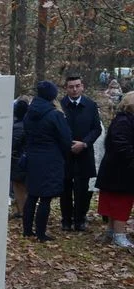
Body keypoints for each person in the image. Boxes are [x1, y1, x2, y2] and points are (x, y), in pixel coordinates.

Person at [22, 81, 72, 243]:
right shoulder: (55, 115)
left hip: (32, 157)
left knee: (32, 195)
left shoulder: (29, 112)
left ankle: (27, 230)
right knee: (45, 198)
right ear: (52, 95)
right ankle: (41, 233)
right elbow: (66, 139)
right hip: (50, 159)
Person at [60, 75, 102, 232]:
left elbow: (96, 128)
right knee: (65, 188)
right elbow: (55, 128)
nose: (74, 89)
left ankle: (79, 220)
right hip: (65, 153)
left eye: (77, 86)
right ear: (66, 88)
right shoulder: (60, 105)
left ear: (82, 86)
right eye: (71, 86)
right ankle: (66, 220)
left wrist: (84, 143)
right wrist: (68, 144)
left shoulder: (90, 105)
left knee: (82, 189)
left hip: (84, 152)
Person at [95, 91, 134, 247]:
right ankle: (119, 235)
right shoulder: (124, 121)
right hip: (120, 171)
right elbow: (122, 146)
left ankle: (111, 232)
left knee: (116, 202)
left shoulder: (124, 120)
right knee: (120, 203)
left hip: (118, 170)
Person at [10, 98, 29, 218]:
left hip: (18, 160)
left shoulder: (17, 127)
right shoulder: (29, 124)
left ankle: (22, 211)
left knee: (18, 186)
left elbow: (13, 144)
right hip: (25, 158)